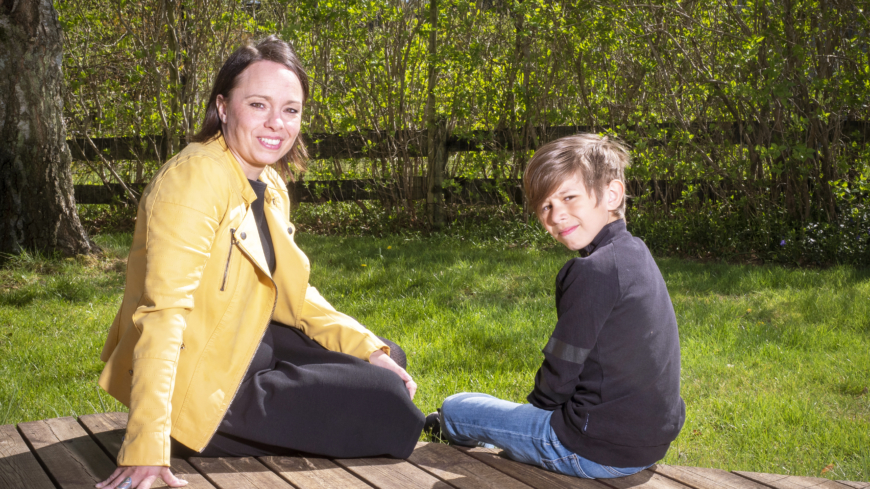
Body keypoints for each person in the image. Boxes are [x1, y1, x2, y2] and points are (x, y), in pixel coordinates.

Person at [95, 36, 424, 489]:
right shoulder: (193, 181)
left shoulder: (267, 180)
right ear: (224, 107)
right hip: (202, 383)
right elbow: (162, 312)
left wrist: (366, 346)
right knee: (394, 410)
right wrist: (146, 444)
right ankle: (188, 435)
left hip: (248, 343)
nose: (277, 124)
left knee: (386, 358)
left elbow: (294, 293)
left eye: (291, 110)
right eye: (258, 104)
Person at [427, 134, 685, 479]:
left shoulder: (591, 271)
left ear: (612, 194)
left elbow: (562, 369)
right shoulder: (635, 254)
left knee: (458, 407)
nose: (556, 215)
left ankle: (448, 425)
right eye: (545, 206)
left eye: (568, 197)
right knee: (490, 409)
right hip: (649, 442)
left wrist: (534, 420)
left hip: (589, 449)